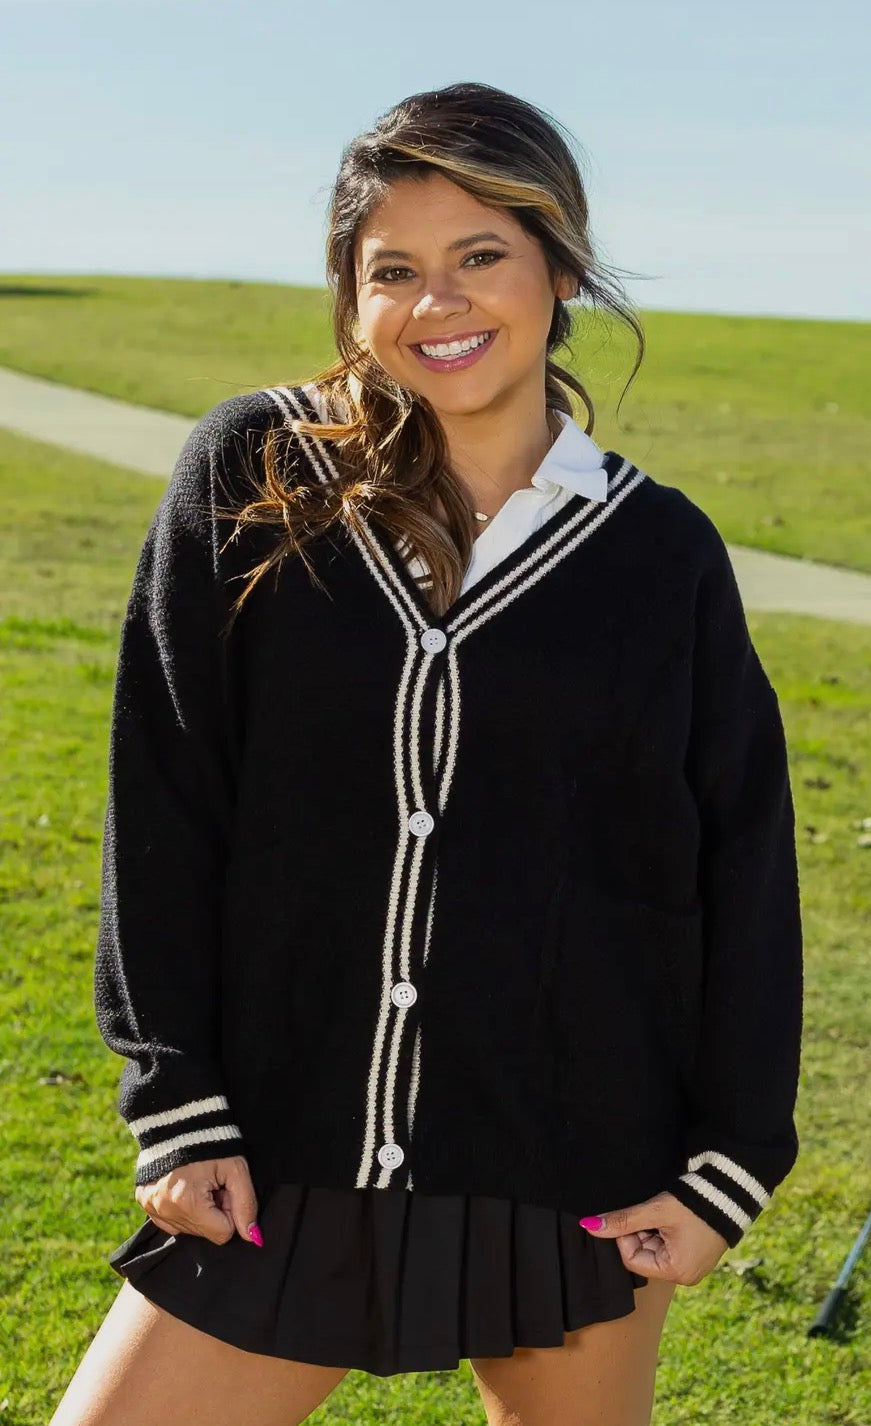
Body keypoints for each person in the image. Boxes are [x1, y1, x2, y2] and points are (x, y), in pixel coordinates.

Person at [52, 80, 803, 1426]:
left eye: (481, 256)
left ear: (560, 268)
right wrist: (177, 1100)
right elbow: (165, 794)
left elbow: (742, 865)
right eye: (392, 269)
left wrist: (730, 1160)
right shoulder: (252, 470)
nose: (436, 304)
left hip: (575, 1159)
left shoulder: (659, 553)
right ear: (351, 296)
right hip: (279, 1147)